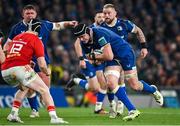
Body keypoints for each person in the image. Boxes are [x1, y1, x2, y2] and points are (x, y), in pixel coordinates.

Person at [72, 23, 164, 121]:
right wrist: (93, 59)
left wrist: (94, 56)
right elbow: (91, 58)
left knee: (135, 86)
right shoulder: (84, 42)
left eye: (82, 36)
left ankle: (153, 90)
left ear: (88, 32)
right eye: (79, 37)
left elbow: (106, 56)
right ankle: (132, 110)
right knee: (111, 83)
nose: (81, 39)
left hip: (125, 54)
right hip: (113, 60)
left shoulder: (99, 34)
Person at [4, 4, 78, 117]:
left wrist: (69, 23)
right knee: (28, 88)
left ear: (36, 14)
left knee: (45, 87)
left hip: (41, 59)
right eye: (27, 13)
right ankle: (35, 110)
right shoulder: (16, 28)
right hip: (24, 62)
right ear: (22, 14)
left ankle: (42, 103)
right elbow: (7, 45)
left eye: (32, 13)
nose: (30, 16)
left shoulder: (43, 24)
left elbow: (58, 25)